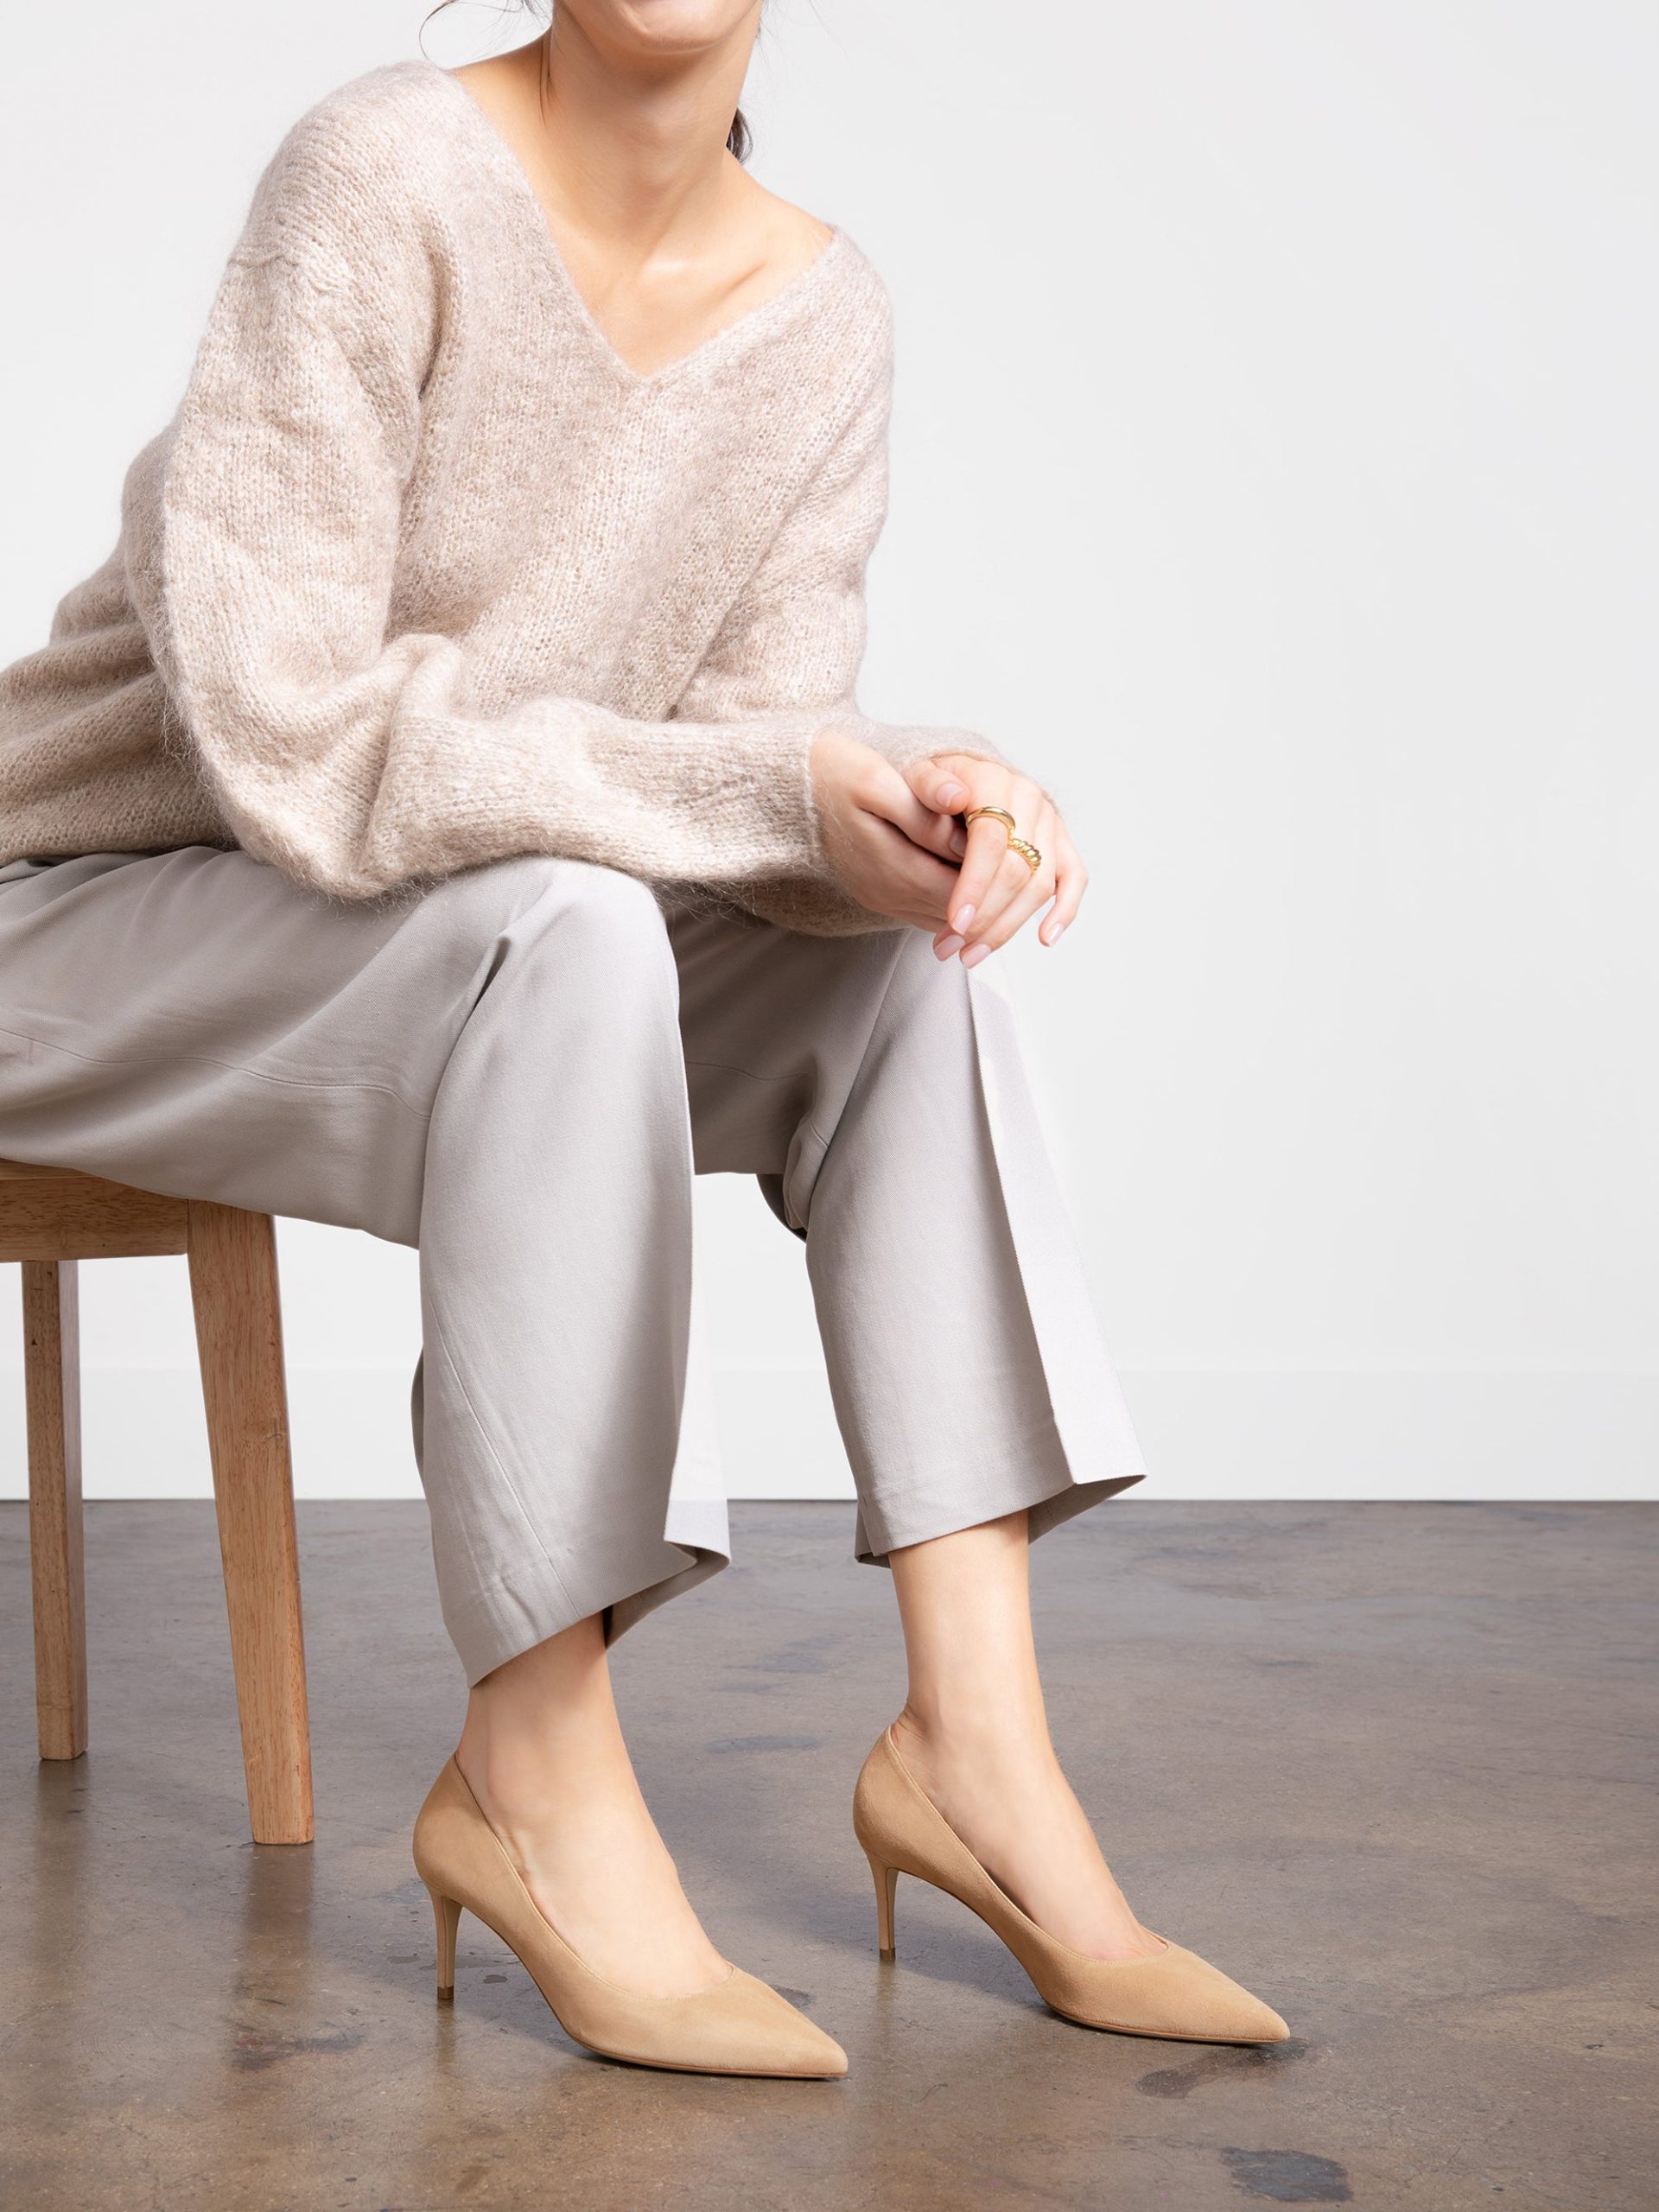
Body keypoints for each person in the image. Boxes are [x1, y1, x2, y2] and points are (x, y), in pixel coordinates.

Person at [0, 4, 1287, 2075]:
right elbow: (288, 735)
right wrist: (775, 783)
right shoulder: (381, 173)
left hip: (431, 934)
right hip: (78, 917)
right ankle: (533, 1766)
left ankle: (977, 1749)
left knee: (906, 965)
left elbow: (742, 783)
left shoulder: (825, 319)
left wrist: (906, 810)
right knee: (571, 917)